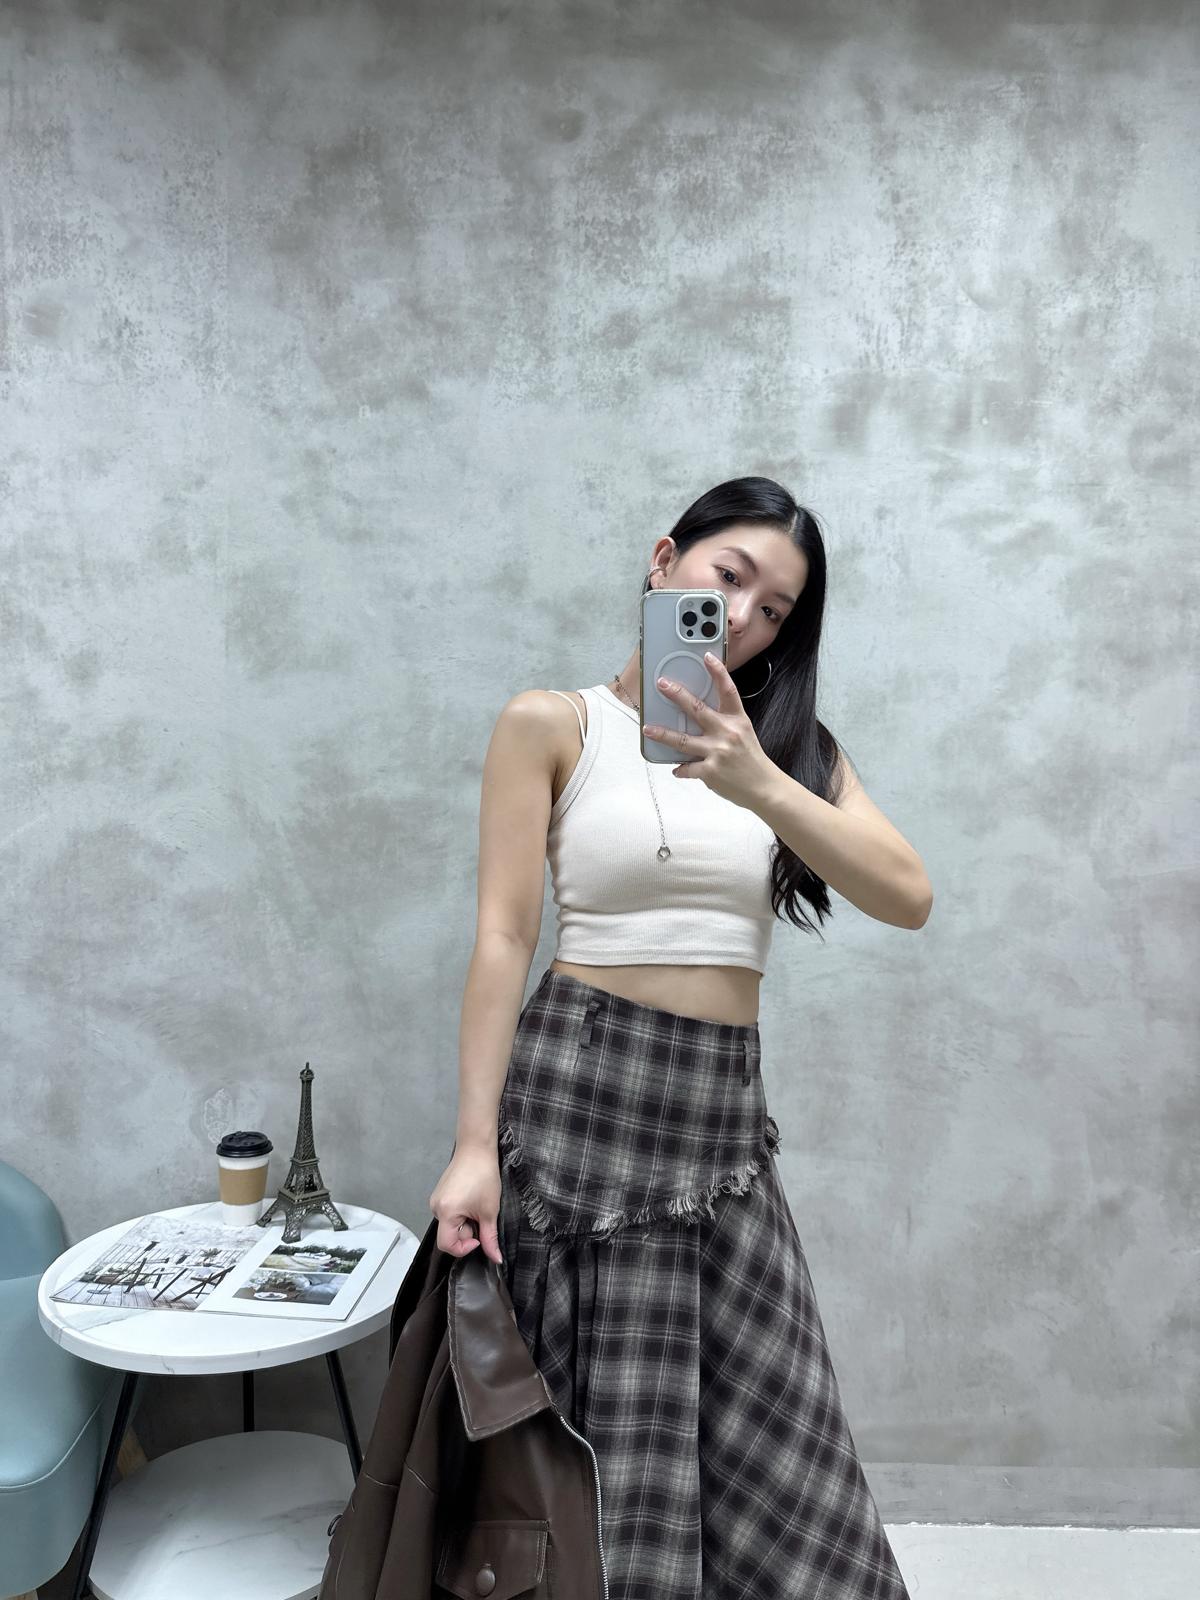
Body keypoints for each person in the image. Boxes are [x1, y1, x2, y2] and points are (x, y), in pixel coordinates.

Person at [428, 475, 931, 1599]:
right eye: (729, 577)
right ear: (666, 561)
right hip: (577, 1112)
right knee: (596, 1456)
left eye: (774, 610)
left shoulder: (790, 750)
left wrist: (760, 780)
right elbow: (504, 937)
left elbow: (908, 894)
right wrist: (471, 1146)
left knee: (781, 1457)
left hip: (718, 1126)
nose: (743, 618)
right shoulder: (553, 723)